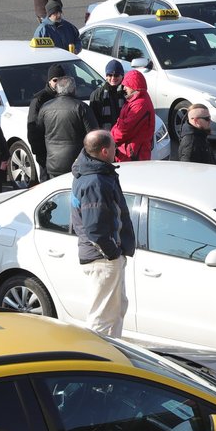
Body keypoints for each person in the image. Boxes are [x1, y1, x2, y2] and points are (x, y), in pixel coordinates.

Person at [70, 129, 135, 337]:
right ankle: (98, 362)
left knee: (114, 311)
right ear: (105, 151)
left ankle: (112, 359)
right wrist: (112, 253)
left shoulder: (93, 174)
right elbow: (95, 229)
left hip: (103, 257)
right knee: (102, 318)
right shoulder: (95, 181)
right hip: (103, 259)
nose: (116, 149)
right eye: (114, 146)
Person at [35, 76, 99, 179]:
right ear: (74, 89)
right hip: (78, 162)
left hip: (53, 163)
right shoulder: (81, 107)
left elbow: (38, 135)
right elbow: (94, 136)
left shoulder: (45, 107)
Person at [27, 64, 65, 182]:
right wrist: (40, 154)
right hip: (46, 153)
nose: (58, 83)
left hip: (62, 152)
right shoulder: (39, 100)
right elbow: (32, 128)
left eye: (61, 80)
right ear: (49, 81)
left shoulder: (67, 97)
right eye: (55, 80)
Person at [111, 69, 154, 163]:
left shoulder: (140, 104)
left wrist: (110, 138)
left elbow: (125, 129)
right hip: (129, 153)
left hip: (134, 156)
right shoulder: (134, 100)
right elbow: (121, 123)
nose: (124, 88)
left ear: (134, 86)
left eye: (126, 85)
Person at [89, 59, 125, 130]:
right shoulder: (97, 94)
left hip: (125, 134)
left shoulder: (127, 91)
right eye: (110, 75)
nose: (113, 78)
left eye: (116, 75)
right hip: (106, 136)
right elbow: (94, 119)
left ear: (122, 75)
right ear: (106, 76)